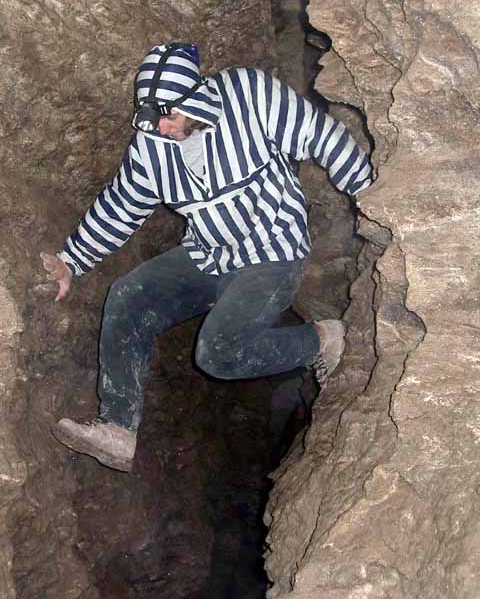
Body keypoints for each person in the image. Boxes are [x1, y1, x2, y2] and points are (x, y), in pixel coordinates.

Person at [42, 42, 372, 472]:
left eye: (169, 116)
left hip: (272, 252)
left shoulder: (248, 96)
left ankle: (321, 339)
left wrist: (371, 198)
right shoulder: (151, 146)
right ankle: (118, 428)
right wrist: (72, 260)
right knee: (127, 296)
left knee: (218, 352)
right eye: (153, 118)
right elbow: (121, 207)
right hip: (208, 255)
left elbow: (320, 136)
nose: (162, 128)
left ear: (193, 99)